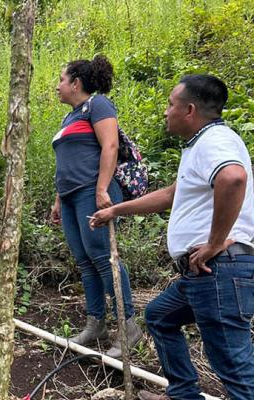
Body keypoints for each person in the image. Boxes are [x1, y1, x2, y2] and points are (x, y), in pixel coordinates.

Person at [91, 75, 254, 400]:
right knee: (160, 317)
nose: (166, 112)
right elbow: (170, 195)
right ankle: (183, 394)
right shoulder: (201, 147)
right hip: (204, 273)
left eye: (170, 105)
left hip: (218, 270)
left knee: (234, 368)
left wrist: (213, 242)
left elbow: (234, 178)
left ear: (189, 109)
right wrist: (115, 210)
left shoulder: (214, 141)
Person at [49, 55, 141, 357]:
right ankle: (95, 323)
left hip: (92, 191)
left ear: (76, 83)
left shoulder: (98, 105)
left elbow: (110, 145)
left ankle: (127, 326)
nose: (58, 86)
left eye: (62, 80)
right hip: (71, 196)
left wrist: (102, 188)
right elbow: (67, 161)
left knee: (104, 257)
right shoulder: (70, 117)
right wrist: (58, 198)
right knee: (85, 261)